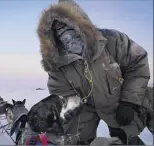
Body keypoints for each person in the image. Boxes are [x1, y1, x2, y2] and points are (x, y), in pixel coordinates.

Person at [36, 0, 151, 145]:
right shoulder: (57, 65)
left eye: (72, 33)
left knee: (126, 137)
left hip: (119, 102)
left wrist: (129, 101)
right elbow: (61, 92)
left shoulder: (113, 40)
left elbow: (138, 62)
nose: (70, 41)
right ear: (56, 41)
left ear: (82, 28)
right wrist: (63, 106)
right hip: (85, 110)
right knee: (74, 139)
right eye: (63, 37)